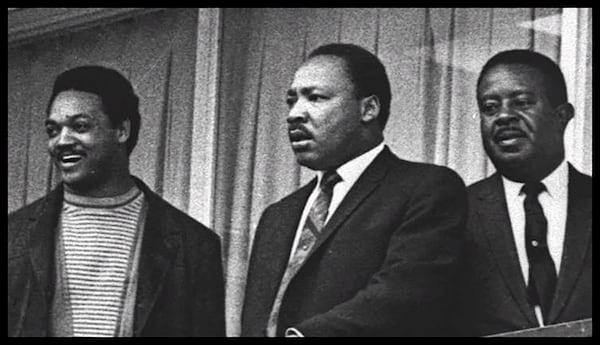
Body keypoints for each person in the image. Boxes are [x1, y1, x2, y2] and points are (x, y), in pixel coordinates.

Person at [241, 43, 467, 337]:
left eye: (316, 98)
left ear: (369, 109)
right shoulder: (277, 216)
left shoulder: (426, 189)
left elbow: (404, 297)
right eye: (291, 100)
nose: (294, 114)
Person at [7, 66, 225, 337]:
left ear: (121, 130)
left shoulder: (194, 246)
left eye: (80, 126)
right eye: (53, 130)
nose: (61, 141)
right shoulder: (12, 237)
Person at [458, 50, 592, 336]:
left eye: (521, 103)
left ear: (562, 116)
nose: (504, 115)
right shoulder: (455, 212)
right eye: (490, 107)